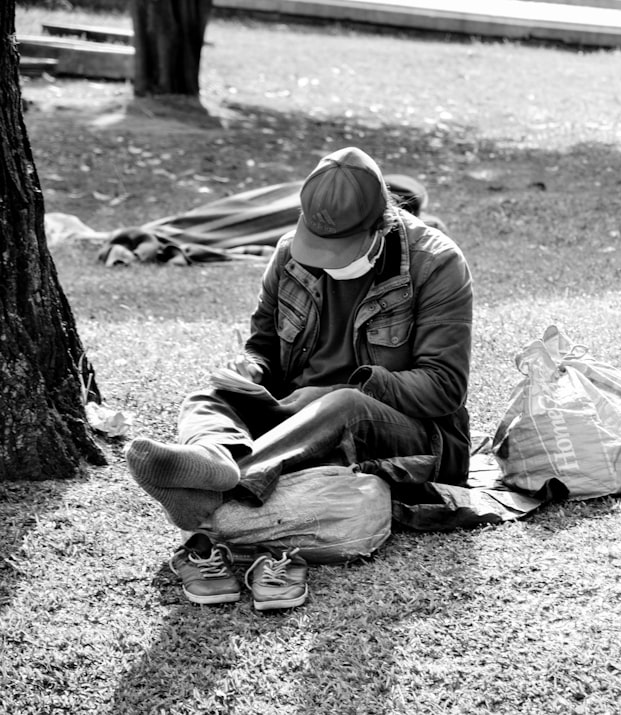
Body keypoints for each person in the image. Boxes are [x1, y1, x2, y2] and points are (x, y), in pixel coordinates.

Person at [126, 147, 473, 611]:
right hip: (297, 417)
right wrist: (251, 369)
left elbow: (444, 387)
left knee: (344, 404)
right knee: (212, 394)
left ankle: (218, 491)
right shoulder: (291, 252)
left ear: (381, 226)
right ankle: (214, 457)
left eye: (341, 250)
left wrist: (342, 388)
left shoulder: (437, 264)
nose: (326, 261)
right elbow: (263, 345)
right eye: (319, 245)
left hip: (408, 431)